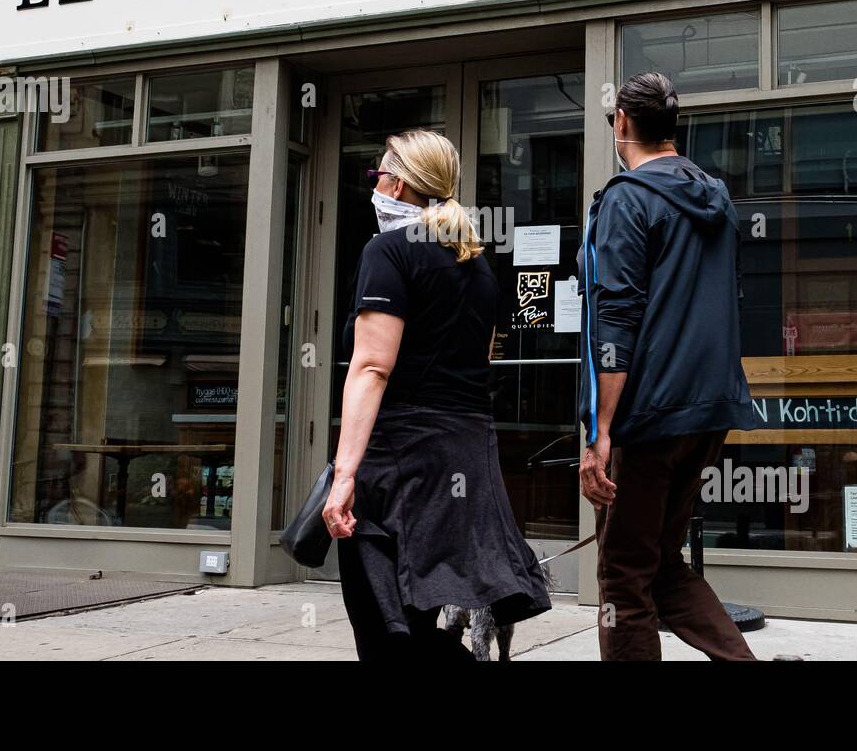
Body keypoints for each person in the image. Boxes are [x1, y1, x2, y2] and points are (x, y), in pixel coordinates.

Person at [323, 130, 550, 661]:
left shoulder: (387, 253)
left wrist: (344, 474)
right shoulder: (476, 265)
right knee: (417, 612)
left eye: (378, 175)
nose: (375, 186)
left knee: (381, 623)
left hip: (399, 459)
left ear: (398, 184)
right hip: (463, 455)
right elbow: (482, 360)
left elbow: (372, 367)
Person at [578, 72, 760, 662]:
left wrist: (601, 431)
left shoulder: (627, 199)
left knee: (624, 580)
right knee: (660, 565)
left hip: (648, 416)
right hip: (706, 411)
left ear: (623, 123)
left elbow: (618, 318)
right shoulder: (716, 196)